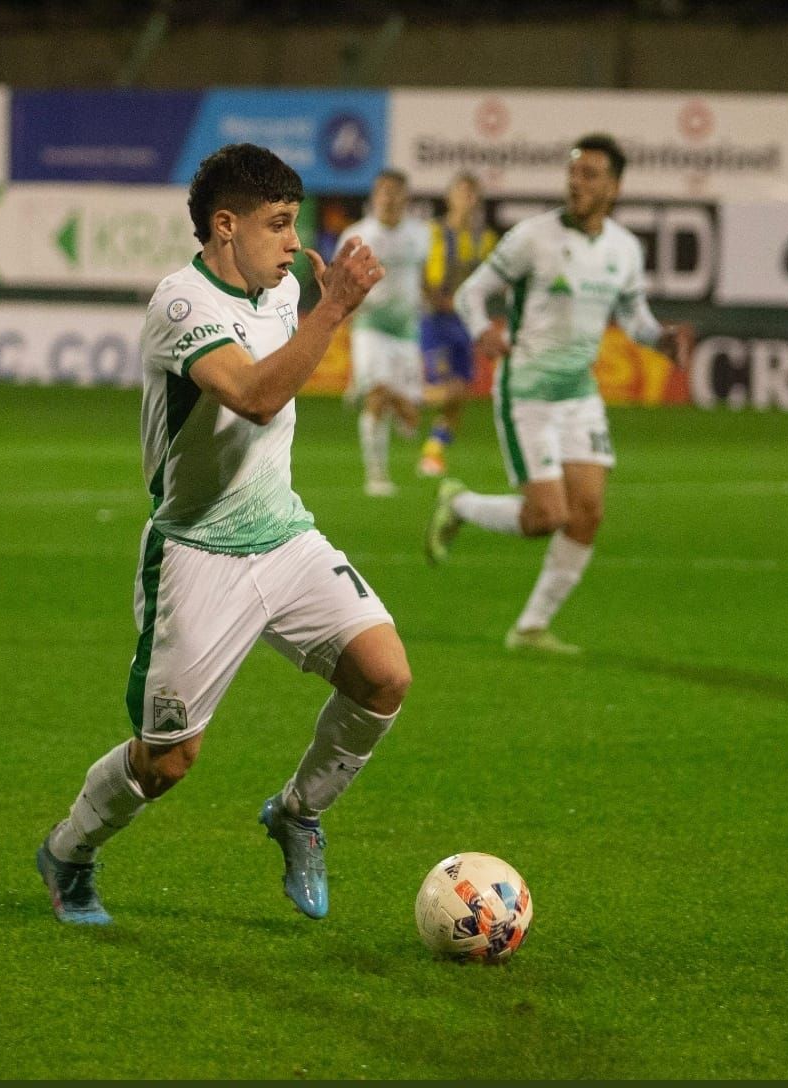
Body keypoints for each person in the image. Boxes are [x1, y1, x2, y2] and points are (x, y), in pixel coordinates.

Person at [36, 143, 411, 926]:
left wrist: (316, 307)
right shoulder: (181, 306)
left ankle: (299, 813)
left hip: (285, 536)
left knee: (383, 676)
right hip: (196, 554)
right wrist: (332, 311)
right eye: (278, 224)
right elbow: (253, 396)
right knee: (166, 762)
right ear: (225, 226)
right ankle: (68, 852)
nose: (293, 242)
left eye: (295, 224)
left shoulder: (280, 289)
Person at [425, 133, 694, 654]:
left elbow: (633, 318)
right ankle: (459, 503)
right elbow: (471, 292)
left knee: (587, 512)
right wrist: (482, 331)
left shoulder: (624, 248)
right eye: (573, 171)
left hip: (579, 394)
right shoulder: (533, 237)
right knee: (546, 518)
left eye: (590, 174)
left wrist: (661, 339)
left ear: (614, 187)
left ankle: (530, 627)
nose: (577, 182)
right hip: (526, 390)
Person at [338, 169, 431, 497]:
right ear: (374, 197)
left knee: (410, 419)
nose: (389, 199)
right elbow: (339, 282)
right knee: (377, 395)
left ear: (406, 197)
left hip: (407, 330)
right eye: (383, 192)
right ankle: (376, 475)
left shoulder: (420, 234)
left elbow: (422, 278)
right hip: (370, 326)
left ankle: (368, 386)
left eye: (395, 192)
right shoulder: (356, 236)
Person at [417, 172, 498, 478]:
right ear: (449, 197)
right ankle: (402, 396)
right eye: (462, 192)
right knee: (447, 391)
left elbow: (489, 280)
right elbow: (420, 272)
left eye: (472, 194)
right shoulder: (432, 233)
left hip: (465, 323)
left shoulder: (485, 238)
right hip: (435, 321)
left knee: (461, 393)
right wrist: (436, 298)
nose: (468, 199)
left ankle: (433, 450)